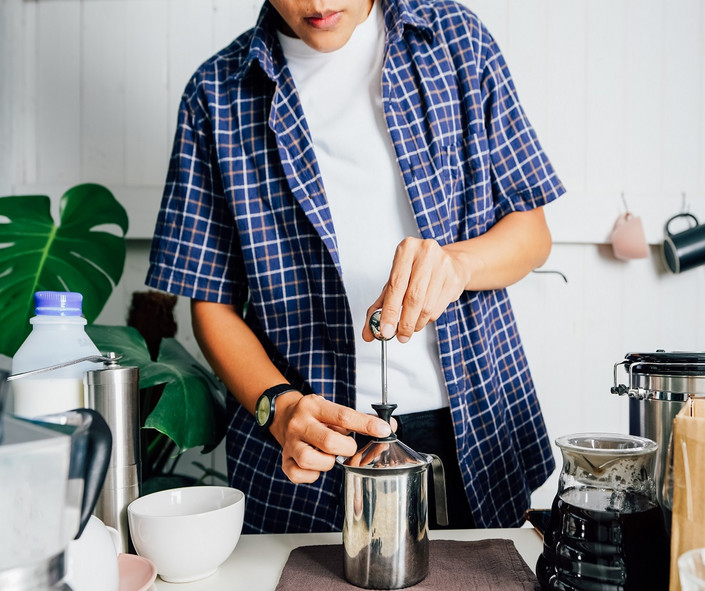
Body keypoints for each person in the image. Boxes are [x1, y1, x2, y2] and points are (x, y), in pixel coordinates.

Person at [146, 0, 565, 534]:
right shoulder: (216, 95)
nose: (319, 4)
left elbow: (531, 232)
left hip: (474, 429)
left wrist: (457, 265)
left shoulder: (457, 40)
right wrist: (278, 407)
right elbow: (211, 304)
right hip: (307, 449)